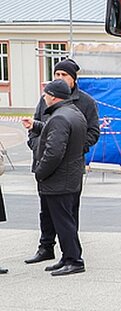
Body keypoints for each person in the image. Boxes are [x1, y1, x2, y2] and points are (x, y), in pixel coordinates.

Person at [20, 57, 100, 265]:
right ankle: (46, 247)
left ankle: (71, 255)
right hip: (46, 163)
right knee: (47, 211)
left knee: (66, 213)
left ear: (73, 78)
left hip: (66, 166)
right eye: (56, 74)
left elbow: (91, 133)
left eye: (64, 74)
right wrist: (37, 147)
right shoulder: (47, 100)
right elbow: (40, 128)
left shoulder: (85, 103)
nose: (60, 77)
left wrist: (73, 149)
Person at [31, 79, 87, 276]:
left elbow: (54, 152)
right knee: (66, 221)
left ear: (54, 97)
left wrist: (40, 172)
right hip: (70, 177)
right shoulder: (74, 113)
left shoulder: (59, 118)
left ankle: (74, 260)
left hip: (59, 180)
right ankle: (67, 256)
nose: (44, 97)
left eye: (46, 94)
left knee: (63, 223)